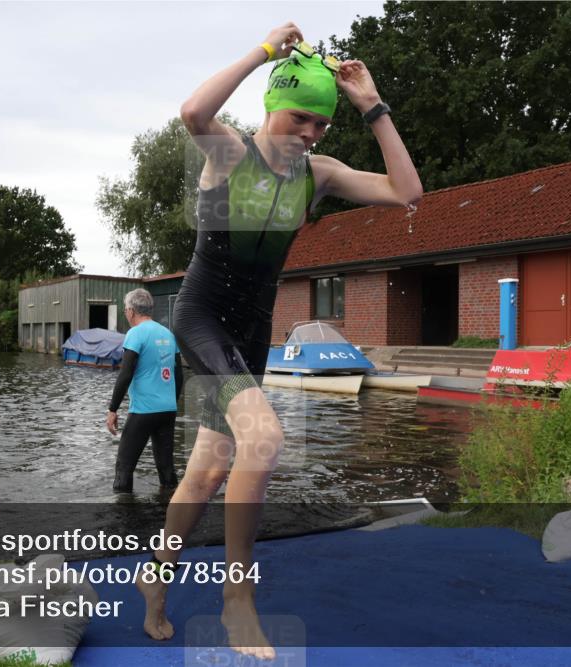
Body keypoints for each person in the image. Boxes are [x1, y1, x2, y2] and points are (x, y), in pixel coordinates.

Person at [135, 22, 422, 659]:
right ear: (271, 106)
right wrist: (265, 50)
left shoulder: (317, 175)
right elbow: (192, 109)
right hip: (202, 316)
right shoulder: (230, 152)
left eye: (320, 126)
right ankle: (238, 598)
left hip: (251, 331)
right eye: (299, 119)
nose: (310, 134)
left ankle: (154, 574)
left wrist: (371, 107)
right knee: (263, 438)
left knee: (208, 469)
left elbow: (407, 192)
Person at [106, 288, 184, 493]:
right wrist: (171, 402)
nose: (125, 313)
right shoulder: (168, 334)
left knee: (124, 468)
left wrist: (113, 409)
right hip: (168, 410)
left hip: (143, 411)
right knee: (166, 468)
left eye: (125, 310)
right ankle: (168, 512)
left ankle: (124, 517)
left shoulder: (135, 334)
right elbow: (179, 375)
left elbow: (125, 374)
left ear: (131, 311)